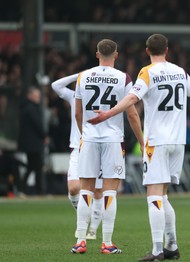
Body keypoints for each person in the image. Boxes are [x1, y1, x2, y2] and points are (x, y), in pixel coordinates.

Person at [88, 33, 190, 261]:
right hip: (178, 142)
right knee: (163, 195)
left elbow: (132, 99)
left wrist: (108, 113)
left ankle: (156, 250)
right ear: (167, 50)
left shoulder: (147, 72)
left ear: (147, 51)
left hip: (156, 142)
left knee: (153, 196)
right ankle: (172, 246)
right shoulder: (180, 71)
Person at [71, 39, 144, 254]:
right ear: (117, 55)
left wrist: (84, 131)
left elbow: (77, 112)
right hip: (113, 139)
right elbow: (131, 113)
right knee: (110, 191)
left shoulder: (82, 77)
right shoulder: (123, 78)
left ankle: (80, 241)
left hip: (90, 138)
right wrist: (141, 140)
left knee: (86, 189)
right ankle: (107, 243)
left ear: (97, 54)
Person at [51, 73, 104, 240]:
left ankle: (93, 230)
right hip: (78, 147)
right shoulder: (75, 96)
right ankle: (83, 215)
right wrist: (78, 75)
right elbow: (56, 85)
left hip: (100, 146)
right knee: (74, 187)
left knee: (97, 191)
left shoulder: (104, 96)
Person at [17, 87, 49, 195]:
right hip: (34, 144)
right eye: (36, 95)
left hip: (29, 143)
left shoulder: (26, 108)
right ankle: (39, 191)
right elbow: (37, 125)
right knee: (37, 167)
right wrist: (44, 135)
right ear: (29, 95)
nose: (39, 98)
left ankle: (22, 188)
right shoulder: (31, 109)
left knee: (32, 166)